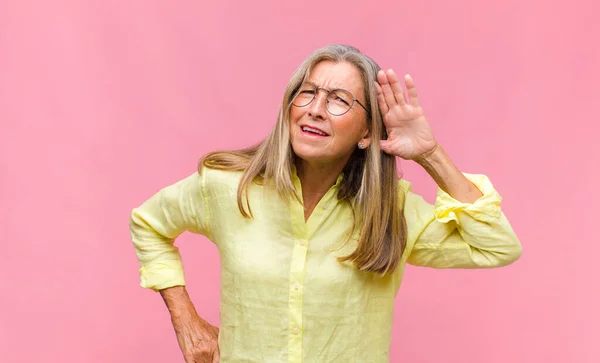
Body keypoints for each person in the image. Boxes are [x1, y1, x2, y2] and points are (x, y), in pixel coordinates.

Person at [129, 44, 522, 363]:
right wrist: (186, 320)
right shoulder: (229, 187)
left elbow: (496, 245)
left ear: (367, 132)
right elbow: (148, 223)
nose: (315, 108)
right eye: (308, 92)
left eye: (339, 100)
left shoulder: (392, 212)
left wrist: (429, 154)